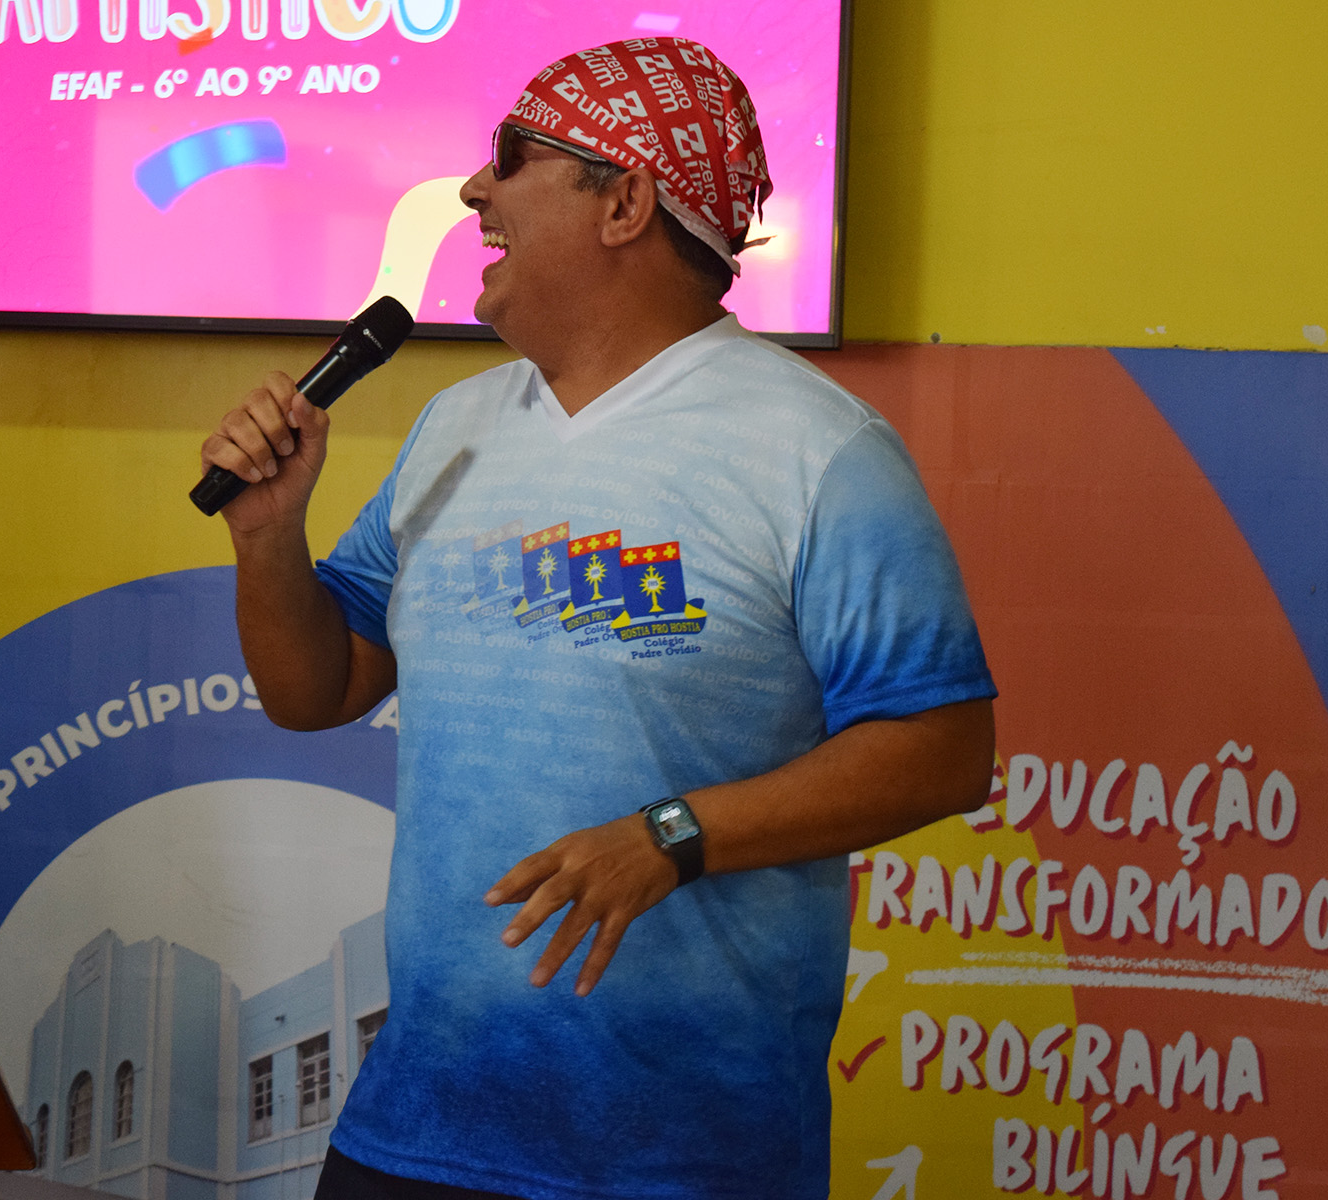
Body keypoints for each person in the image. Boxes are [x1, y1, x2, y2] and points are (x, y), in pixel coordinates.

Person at [201, 37, 996, 1200]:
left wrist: (673, 835)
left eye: (511, 158)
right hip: (416, 1129)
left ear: (623, 202)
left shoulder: (819, 453)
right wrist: (269, 537)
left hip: (684, 1159)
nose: (472, 190)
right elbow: (315, 690)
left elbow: (943, 750)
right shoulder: (455, 426)